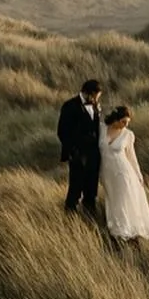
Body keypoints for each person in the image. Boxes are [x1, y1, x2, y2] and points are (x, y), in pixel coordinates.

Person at [99, 105, 149, 243]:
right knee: (112, 200)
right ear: (115, 119)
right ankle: (115, 228)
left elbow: (132, 157)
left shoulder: (128, 134)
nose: (125, 125)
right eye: (123, 122)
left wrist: (139, 175)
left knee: (122, 201)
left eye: (127, 122)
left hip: (123, 173)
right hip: (107, 174)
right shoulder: (101, 129)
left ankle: (123, 231)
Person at [57, 79, 103, 218]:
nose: (96, 99)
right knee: (75, 189)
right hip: (78, 155)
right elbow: (62, 131)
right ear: (88, 93)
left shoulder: (95, 106)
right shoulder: (70, 106)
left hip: (93, 155)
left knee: (91, 189)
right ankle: (70, 219)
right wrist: (73, 151)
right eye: (96, 95)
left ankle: (90, 217)